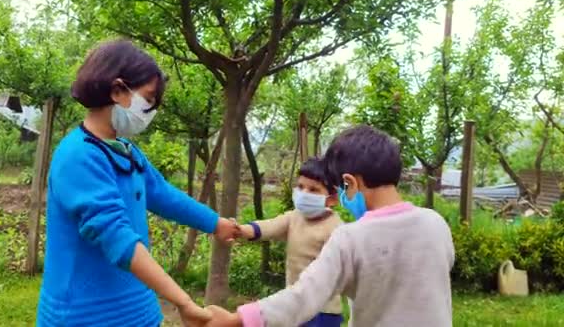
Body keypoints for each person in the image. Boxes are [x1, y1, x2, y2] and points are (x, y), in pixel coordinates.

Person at [36, 40, 238, 327]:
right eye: (148, 99)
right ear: (117, 90)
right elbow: (117, 238)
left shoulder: (125, 151)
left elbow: (163, 194)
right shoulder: (77, 156)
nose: (151, 111)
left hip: (138, 312)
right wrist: (183, 302)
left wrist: (215, 223)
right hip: (85, 316)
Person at [205, 125, 455, 327]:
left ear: (349, 183)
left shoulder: (350, 238)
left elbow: (304, 295)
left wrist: (236, 320)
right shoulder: (436, 224)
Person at [237, 157, 343, 327]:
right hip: (294, 305)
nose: (304, 193)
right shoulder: (294, 217)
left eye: (314, 189)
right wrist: (241, 230)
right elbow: (270, 226)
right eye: (301, 187)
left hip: (323, 311)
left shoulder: (336, 228)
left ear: (332, 199)